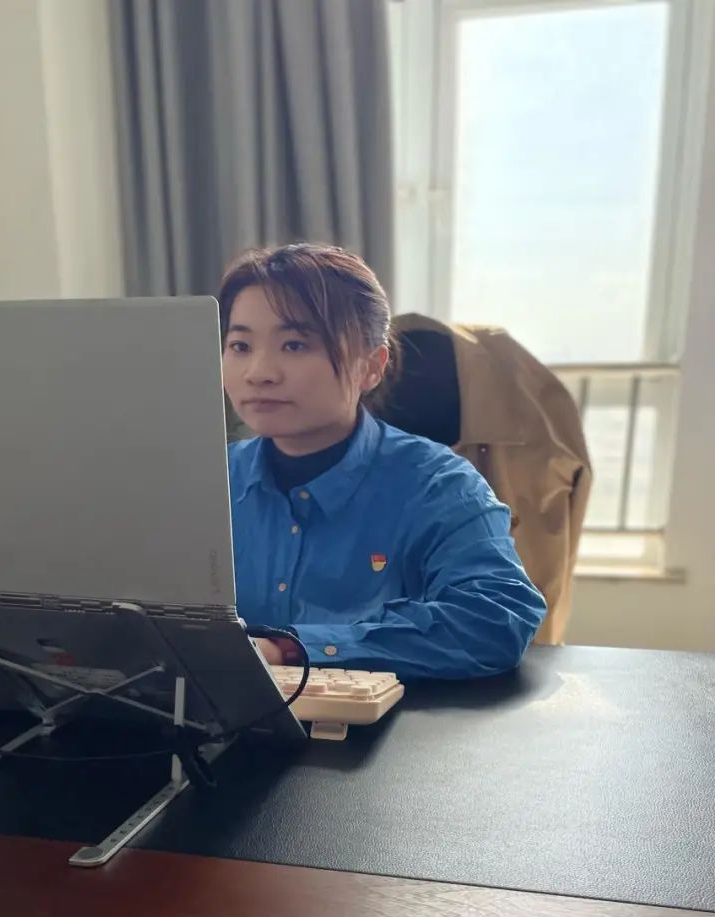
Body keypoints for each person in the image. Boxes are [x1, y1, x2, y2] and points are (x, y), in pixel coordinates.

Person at [220, 243, 546, 679]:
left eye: (294, 345)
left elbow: (495, 620)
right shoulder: (208, 481)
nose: (259, 372)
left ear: (371, 367)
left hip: (396, 721)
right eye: (240, 345)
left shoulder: (439, 485)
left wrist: (290, 648)